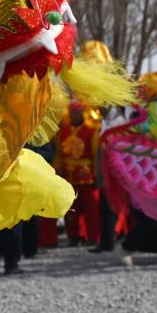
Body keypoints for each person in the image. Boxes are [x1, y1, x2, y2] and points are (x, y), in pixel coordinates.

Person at [54, 103, 102, 246]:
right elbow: (59, 154)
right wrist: (57, 169)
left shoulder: (91, 132)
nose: (74, 115)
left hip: (86, 175)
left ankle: (93, 236)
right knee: (71, 208)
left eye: (77, 112)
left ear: (82, 114)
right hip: (68, 175)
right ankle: (73, 236)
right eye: (72, 113)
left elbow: (96, 156)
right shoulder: (62, 132)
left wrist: (96, 175)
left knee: (90, 208)